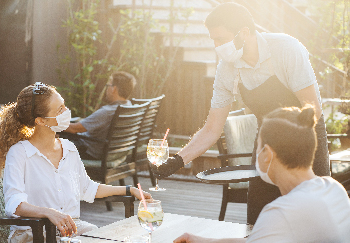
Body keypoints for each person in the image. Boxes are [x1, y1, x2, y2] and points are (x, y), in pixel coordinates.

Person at [152, 2, 330, 225]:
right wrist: (177, 161)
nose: (217, 46)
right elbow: (212, 129)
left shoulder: (286, 49)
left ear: (244, 33)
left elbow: (312, 108)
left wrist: (293, 155)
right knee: (259, 220)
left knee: (312, 220)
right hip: (267, 144)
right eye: (213, 40)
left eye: (220, 39)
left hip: (306, 139)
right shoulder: (227, 69)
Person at [0, 82, 151, 242]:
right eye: (60, 109)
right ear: (41, 121)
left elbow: (87, 188)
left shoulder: (69, 148)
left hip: (71, 230)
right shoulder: (19, 152)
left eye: (64, 105)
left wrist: (129, 190)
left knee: (110, 239)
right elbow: (14, 205)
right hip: (33, 233)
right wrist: (49, 213)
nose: (66, 112)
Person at [173, 105, 350, 243]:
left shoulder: (280, 213)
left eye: (256, 145)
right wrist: (204, 241)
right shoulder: (334, 189)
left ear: (267, 154)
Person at [61, 71, 136, 160]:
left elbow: (74, 129)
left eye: (108, 86)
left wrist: (50, 123)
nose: (106, 89)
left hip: (90, 153)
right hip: (114, 154)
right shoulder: (129, 106)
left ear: (114, 89)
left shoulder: (108, 111)